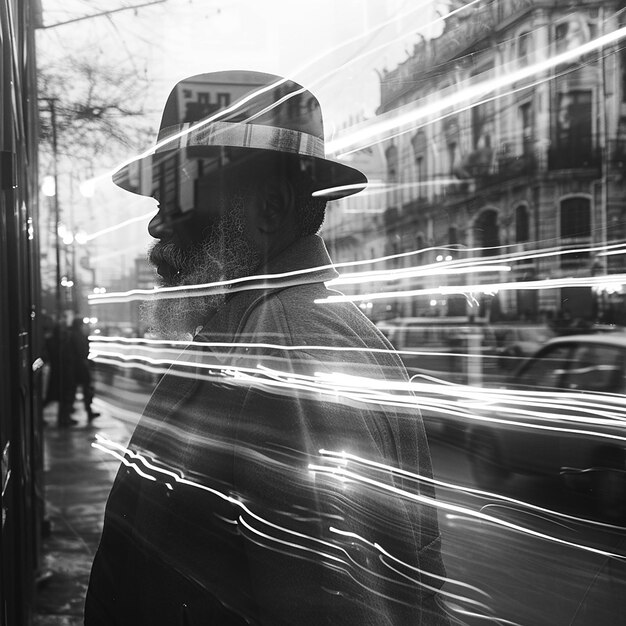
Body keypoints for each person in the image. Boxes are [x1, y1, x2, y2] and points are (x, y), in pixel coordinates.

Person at [85, 70, 449, 625]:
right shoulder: (255, 330)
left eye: (177, 199)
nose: (157, 225)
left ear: (271, 207)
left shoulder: (287, 349)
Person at [69, 318, 101, 422]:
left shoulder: (74, 335)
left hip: (77, 366)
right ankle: (87, 411)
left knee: (75, 389)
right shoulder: (78, 336)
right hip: (80, 366)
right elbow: (82, 351)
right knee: (86, 389)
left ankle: (68, 412)